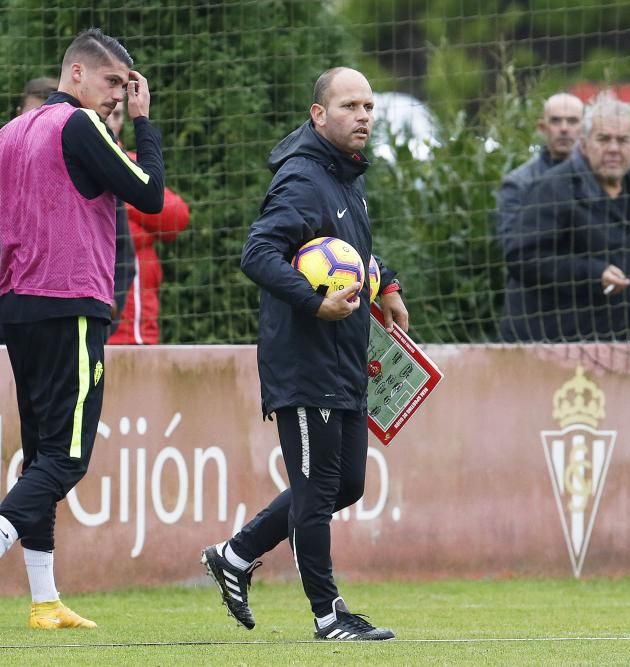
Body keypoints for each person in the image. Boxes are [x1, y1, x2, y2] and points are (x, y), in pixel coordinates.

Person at [0, 28, 165, 631]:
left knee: (39, 455)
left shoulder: (8, 135)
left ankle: (44, 601)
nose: (120, 94)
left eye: (127, 86)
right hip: (71, 307)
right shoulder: (81, 126)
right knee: (67, 459)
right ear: (77, 75)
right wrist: (145, 124)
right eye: (113, 81)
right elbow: (149, 194)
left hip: (18, 312)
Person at [201, 67, 407, 641]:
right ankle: (328, 615)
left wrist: (384, 283)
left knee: (347, 486)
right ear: (319, 115)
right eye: (349, 106)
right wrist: (315, 303)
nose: (363, 115)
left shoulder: (345, 179)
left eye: (368, 105)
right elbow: (258, 253)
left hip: (345, 358)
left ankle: (236, 554)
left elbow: (351, 254)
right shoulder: (301, 179)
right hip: (305, 363)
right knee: (317, 491)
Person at [0, 78, 135, 342]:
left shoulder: (92, 167)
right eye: (34, 115)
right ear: (19, 115)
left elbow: (120, 249)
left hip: (68, 322)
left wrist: (106, 310)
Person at [506, 94, 630, 342]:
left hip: (626, 344)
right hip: (555, 344)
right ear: (584, 144)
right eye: (603, 139)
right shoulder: (553, 188)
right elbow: (521, 258)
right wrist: (593, 273)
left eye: (623, 140)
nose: (613, 148)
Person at [497, 93, 584, 341]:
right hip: (532, 321)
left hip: (589, 321)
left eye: (572, 121)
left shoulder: (602, 182)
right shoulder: (519, 183)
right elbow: (513, 251)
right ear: (542, 127)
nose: (565, 129)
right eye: (556, 121)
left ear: (585, 127)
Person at [105, 102, 190, 344]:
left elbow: (177, 217)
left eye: (118, 114)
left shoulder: (133, 164)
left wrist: (120, 197)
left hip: (138, 330)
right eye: (109, 113)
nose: (112, 120)